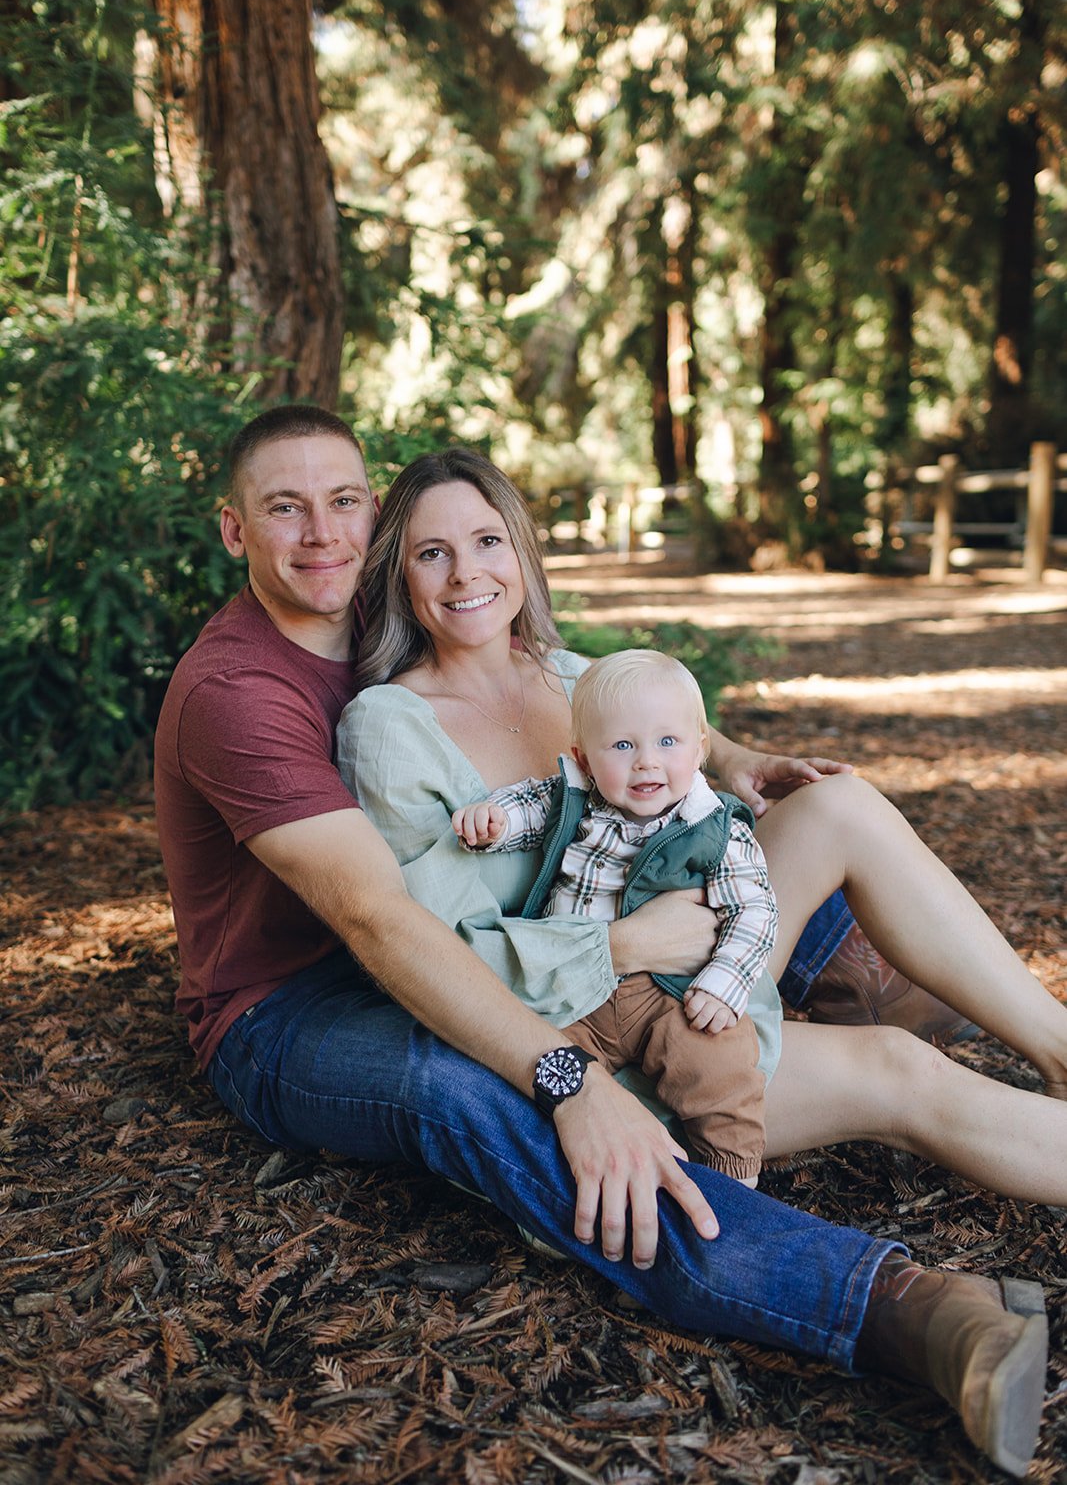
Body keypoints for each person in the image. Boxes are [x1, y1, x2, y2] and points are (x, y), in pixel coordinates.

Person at [154, 408, 1051, 1480]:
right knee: (482, 1090)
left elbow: (634, 706)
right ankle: (909, 1302)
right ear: (234, 529)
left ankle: (1020, 1031)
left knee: (835, 807)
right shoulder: (288, 699)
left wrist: (730, 751)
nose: (321, 532)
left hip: (668, 977)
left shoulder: (479, 644)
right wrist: (578, 1065)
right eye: (283, 508)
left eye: (344, 501)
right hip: (340, 1000)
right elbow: (389, 928)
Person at [451, 648, 779, 1185]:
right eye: (623, 745)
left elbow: (754, 910)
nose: (646, 761)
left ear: (699, 750)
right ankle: (571, 1174)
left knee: (719, 1063)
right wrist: (493, 821)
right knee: (535, 1072)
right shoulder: (576, 799)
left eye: (667, 742)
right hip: (575, 989)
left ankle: (733, 1174)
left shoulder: (714, 827)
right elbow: (527, 809)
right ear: (583, 758)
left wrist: (724, 984)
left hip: (670, 993)